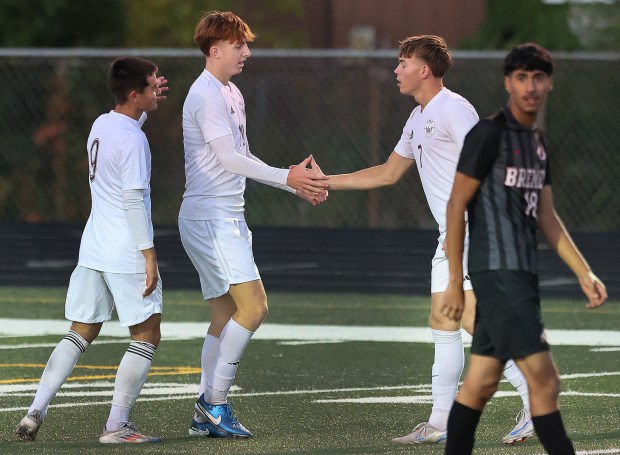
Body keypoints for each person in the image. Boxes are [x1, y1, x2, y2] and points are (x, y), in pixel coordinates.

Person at [325, 35, 532, 445]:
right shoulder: (418, 118)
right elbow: (387, 173)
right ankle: (440, 423)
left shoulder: (453, 109)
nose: (396, 70)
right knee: (444, 321)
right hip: (452, 233)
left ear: (424, 69)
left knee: (470, 318)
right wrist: (324, 182)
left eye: (403, 63)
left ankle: (534, 400)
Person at [442, 43, 608, 454]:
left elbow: (547, 218)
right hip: (498, 276)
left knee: (478, 386)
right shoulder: (488, 134)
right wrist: (452, 281)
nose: (530, 86)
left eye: (538, 78)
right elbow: (456, 204)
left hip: (521, 276)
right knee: (545, 382)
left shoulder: (537, 143)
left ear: (549, 83)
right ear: (508, 83)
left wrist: (583, 271)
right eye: (521, 78)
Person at [179, 11, 328, 439]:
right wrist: (289, 177)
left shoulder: (231, 92)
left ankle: (203, 410)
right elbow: (227, 160)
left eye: (246, 43)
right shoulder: (205, 94)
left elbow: (242, 159)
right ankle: (215, 403)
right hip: (211, 217)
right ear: (215, 50)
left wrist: (291, 184)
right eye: (239, 44)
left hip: (221, 216)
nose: (247, 51)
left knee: (225, 315)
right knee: (255, 307)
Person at [15, 57, 169, 444]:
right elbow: (134, 200)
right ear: (135, 95)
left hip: (94, 247)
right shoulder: (134, 139)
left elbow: (126, 129)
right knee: (147, 333)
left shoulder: (104, 123)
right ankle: (117, 426)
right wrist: (149, 255)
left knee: (80, 332)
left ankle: (36, 409)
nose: (157, 91)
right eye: (152, 87)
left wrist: (146, 106)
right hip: (125, 250)